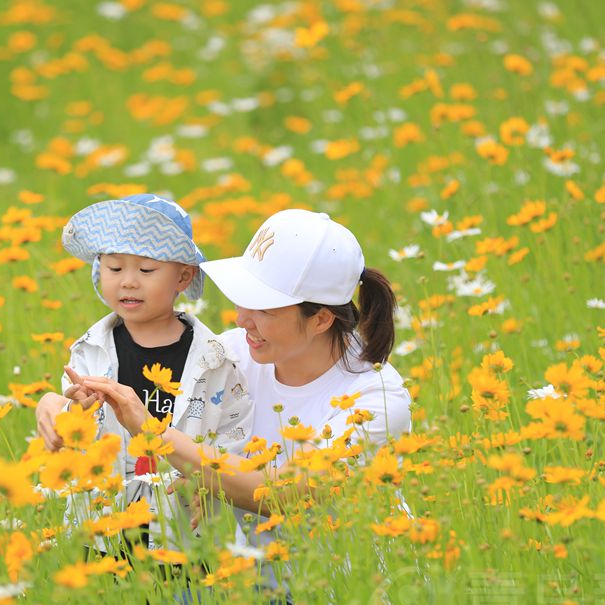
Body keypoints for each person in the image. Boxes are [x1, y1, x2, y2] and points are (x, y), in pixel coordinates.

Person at [63, 208, 412, 565]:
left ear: (321, 319)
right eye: (242, 298)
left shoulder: (376, 400)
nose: (240, 318)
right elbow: (168, 422)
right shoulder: (230, 353)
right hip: (249, 591)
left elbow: (287, 491)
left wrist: (162, 441)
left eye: (263, 309)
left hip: (352, 596)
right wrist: (56, 406)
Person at [37, 194, 253, 555]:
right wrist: (72, 413)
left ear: (183, 276)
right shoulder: (90, 351)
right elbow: (71, 439)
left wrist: (210, 482)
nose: (128, 282)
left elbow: (236, 432)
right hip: (103, 531)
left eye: (146, 270)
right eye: (114, 269)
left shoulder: (215, 360)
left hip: (184, 536)